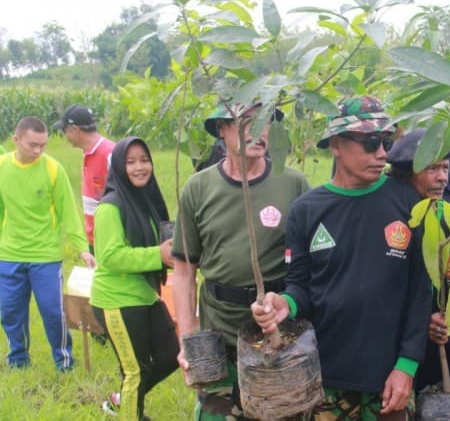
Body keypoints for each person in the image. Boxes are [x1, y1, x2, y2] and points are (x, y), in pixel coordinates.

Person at [252, 96, 432, 420]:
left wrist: (407, 365)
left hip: (390, 381)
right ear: (336, 145)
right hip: (326, 379)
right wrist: (285, 304)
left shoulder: (407, 202)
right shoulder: (307, 210)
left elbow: (421, 291)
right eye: (370, 143)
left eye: (386, 143)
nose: (381, 153)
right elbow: (300, 287)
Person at [171, 103, 309, 419]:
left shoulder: (293, 184)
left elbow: (310, 266)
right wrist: (187, 338)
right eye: (246, 122)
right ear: (222, 128)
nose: (259, 132)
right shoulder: (199, 188)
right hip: (218, 333)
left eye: (266, 122)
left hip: (275, 335)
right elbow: (183, 272)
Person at [90, 136, 179, 420]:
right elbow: (111, 256)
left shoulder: (144, 201)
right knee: (135, 371)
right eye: (131, 162)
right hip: (116, 300)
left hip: (144, 294)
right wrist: (157, 255)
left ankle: (122, 402)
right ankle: (130, 412)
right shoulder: (110, 207)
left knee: (170, 356)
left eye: (144, 160)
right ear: (118, 166)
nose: (140, 167)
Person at [0, 116, 95, 371]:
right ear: (16, 140)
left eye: (43, 145)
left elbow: (68, 213)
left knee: (54, 312)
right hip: (9, 254)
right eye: (33, 145)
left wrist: (83, 249)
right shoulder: (2, 167)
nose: (38, 151)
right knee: (9, 312)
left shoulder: (53, 169)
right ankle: (18, 359)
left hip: (45, 257)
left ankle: (64, 362)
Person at [386, 128, 450, 391]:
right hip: (397, 351)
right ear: (407, 171)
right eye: (431, 168)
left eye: (445, 168)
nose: (442, 178)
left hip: (448, 351)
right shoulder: (395, 221)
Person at [54, 105, 115, 250]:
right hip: (95, 239)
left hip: (110, 241)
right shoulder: (87, 153)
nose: (65, 137)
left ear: (74, 130)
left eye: (65, 132)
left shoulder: (110, 154)